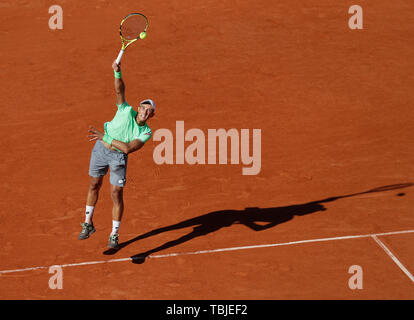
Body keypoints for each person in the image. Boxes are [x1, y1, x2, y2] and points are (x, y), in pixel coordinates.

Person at [78, 60, 155, 249]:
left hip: (117, 157)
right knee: (94, 184)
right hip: (100, 150)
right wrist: (117, 73)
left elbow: (128, 148)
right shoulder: (125, 109)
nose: (145, 111)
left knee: (116, 193)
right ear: (139, 107)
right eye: (144, 107)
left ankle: (114, 234)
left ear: (151, 116)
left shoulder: (146, 132)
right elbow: (120, 90)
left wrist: (105, 136)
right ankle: (88, 223)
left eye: (149, 111)